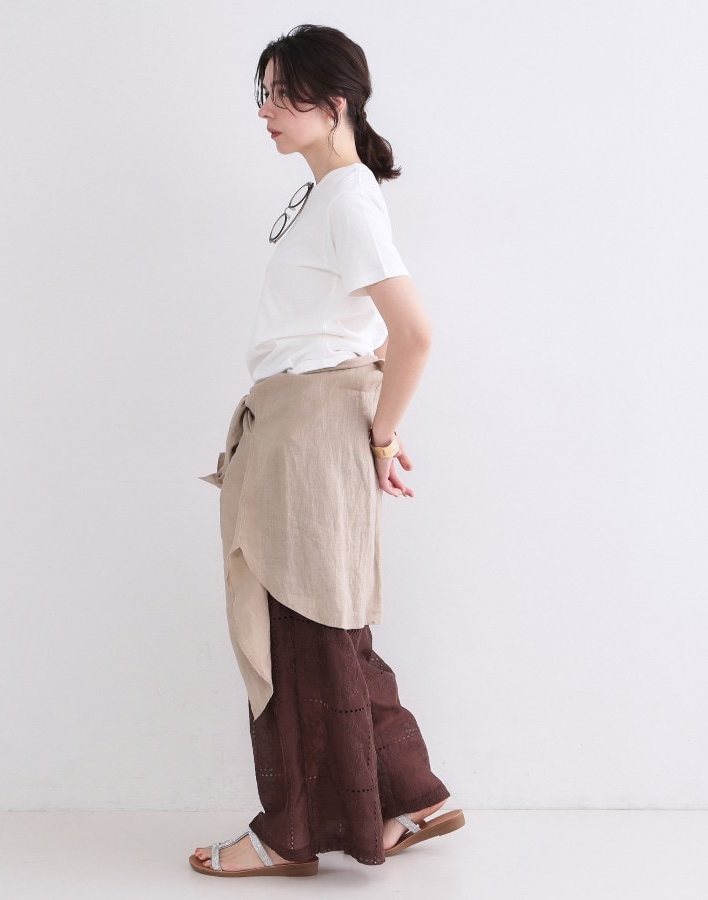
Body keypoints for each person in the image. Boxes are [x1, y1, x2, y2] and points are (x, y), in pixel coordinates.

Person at [189, 24, 465, 878]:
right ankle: (410, 796)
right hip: (296, 427)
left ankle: (292, 833)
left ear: (334, 102)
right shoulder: (326, 196)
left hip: (309, 431)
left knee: (306, 631)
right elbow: (357, 333)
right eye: (263, 93)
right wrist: (377, 425)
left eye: (282, 94)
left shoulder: (346, 198)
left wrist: (381, 434)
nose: (265, 110)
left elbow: (414, 332)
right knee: (320, 626)